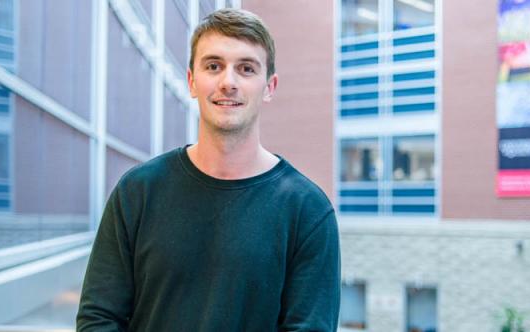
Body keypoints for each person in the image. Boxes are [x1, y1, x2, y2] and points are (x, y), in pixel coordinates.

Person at [76, 8, 341, 332]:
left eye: (246, 68)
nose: (228, 82)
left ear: (269, 86)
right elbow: (99, 320)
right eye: (214, 66)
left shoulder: (308, 211)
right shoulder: (138, 192)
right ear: (191, 81)